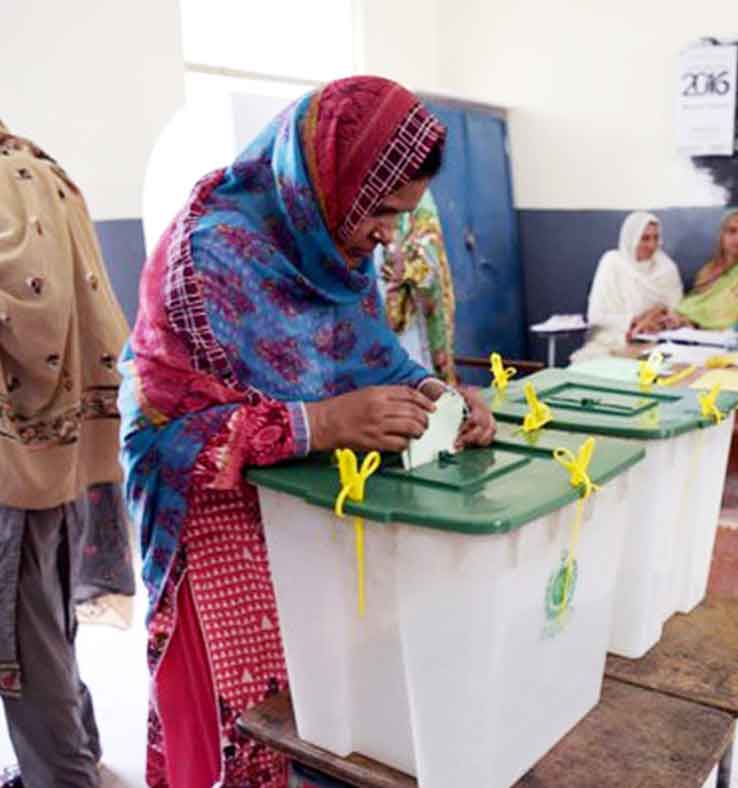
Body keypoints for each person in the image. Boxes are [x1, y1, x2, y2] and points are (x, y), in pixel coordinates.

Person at [118, 76, 497, 787]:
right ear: (329, 180)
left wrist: (433, 390)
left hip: (302, 507)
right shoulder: (209, 256)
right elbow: (168, 427)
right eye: (381, 211)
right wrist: (320, 423)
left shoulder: (334, 251)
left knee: (325, 704)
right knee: (253, 717)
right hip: (214, 516)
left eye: (402, 215)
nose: (388, 235)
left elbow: (366, 352)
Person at [0, 122, 132, 787]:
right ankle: (75, 756)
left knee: (23, 651)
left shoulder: (11, 183)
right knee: (46, 630)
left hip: (16, 458)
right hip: (50, 448)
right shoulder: (35, 167)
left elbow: (34, 314)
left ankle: (63, 774)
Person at [571, 211, 684, 361]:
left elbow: (675, 309)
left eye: (656, 238)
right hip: (609, 341)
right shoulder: (612, 262)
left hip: (654, 344)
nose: (652, 245)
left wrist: (660, 319)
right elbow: (596, 316)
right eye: (645, 239)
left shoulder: (666, 268)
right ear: (631, 239)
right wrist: (636, 321)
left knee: (659, 367)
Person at [376, 188, 458, 383]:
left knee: (414, 380)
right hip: (370, 305)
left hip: (409, 313)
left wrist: (406, 265)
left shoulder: (416, 195)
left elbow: (429, 251)